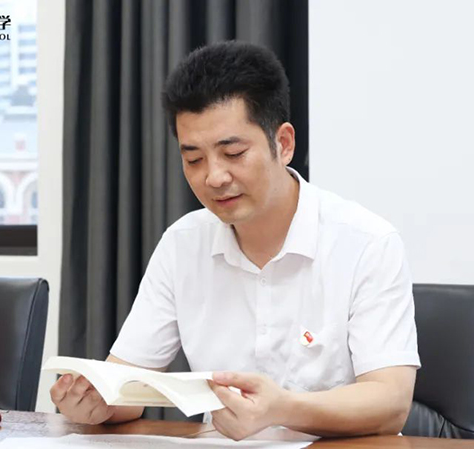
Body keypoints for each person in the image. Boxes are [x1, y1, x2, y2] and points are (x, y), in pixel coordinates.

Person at [50, 41, 420, 440]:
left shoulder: (367, 243)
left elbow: (390, 402)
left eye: (234, 153)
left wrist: (282, 408)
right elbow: (128, 383)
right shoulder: (182, 245)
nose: (214, 177)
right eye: (194, 159)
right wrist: (98, 403)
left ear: (283, 144)